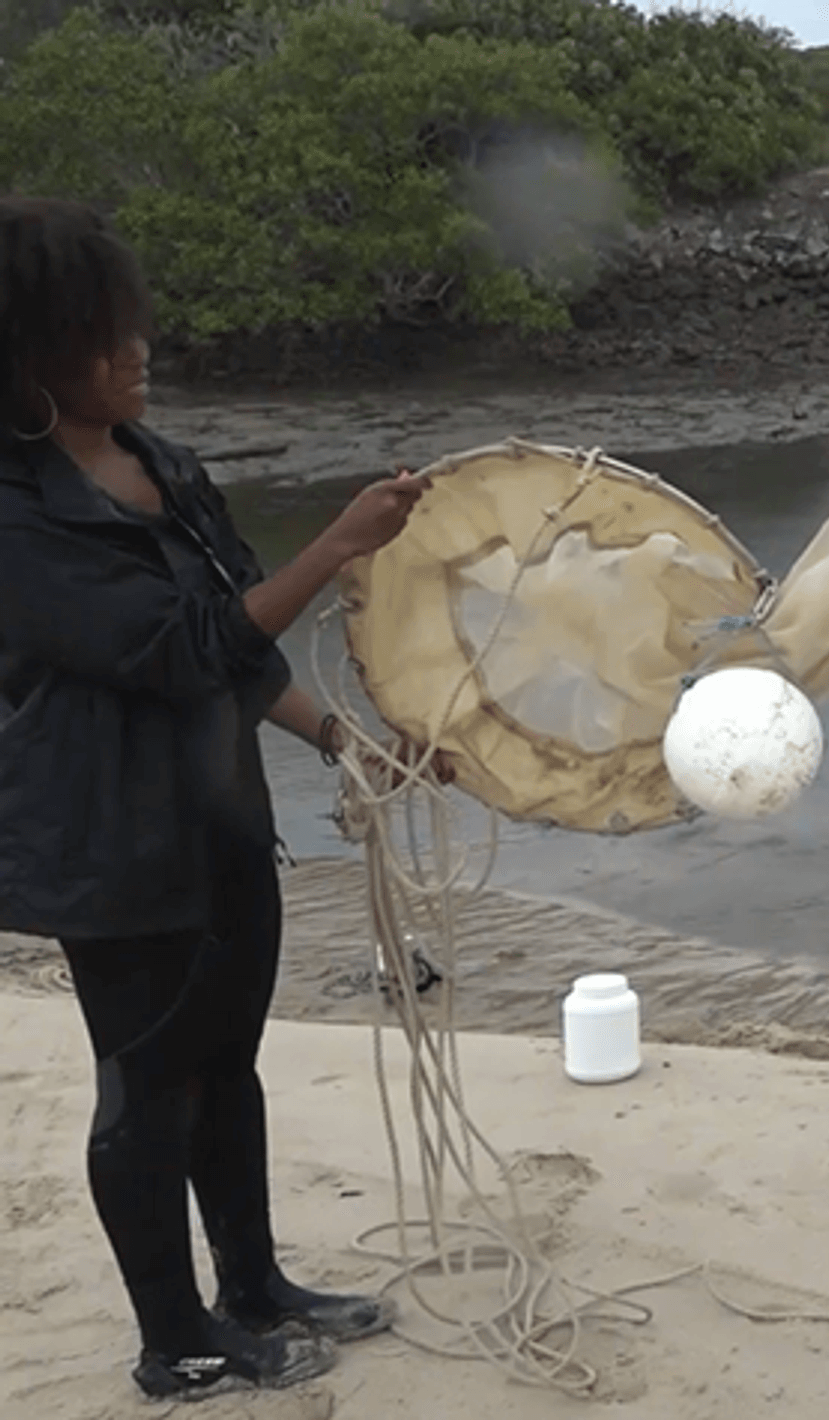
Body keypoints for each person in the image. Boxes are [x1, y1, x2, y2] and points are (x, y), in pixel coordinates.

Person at [0, 197, 438, 1401]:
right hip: (108, 839)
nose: (135, 351)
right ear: (28, 355)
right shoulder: (18, 515)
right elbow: (177, 650)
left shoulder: (164, 466)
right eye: (100, 335)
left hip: (223, 819)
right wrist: (338, 544)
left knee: (227, 1062)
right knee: (149, 1083)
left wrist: (352, 741)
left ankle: (251, 1286)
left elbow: (244, 657)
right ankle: (175, 1336)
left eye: (131, 325)